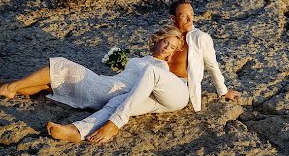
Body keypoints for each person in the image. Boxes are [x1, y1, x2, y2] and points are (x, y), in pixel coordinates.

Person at [0, 27, 184, 112]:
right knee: (48, 83)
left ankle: (10, 86)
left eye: (172, 47)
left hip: (109, 90)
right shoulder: (141, 58)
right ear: (158, 40)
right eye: (166, 42)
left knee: (61, 64)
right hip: (107, 82)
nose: (167, 48)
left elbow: (147, 88)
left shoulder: (160, 67)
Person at [46, 38, 190, 145]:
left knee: (151, 71)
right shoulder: (175, 35)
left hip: (178, 92)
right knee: (117, 101)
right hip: (156, 94)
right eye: (166, 42)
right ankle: (76, 131)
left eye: (172, 47)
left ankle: (114, 124)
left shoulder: (194, 38)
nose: (188, 19)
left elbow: (210, 64)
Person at [167, 0, 241, 110]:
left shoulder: (200, 38)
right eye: (183, 16)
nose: (189, 19)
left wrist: (223, 91)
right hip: (162, 82)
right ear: (173, 18)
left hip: (181, 87)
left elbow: (212, 65)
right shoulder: (166, 36)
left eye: (191, 14)